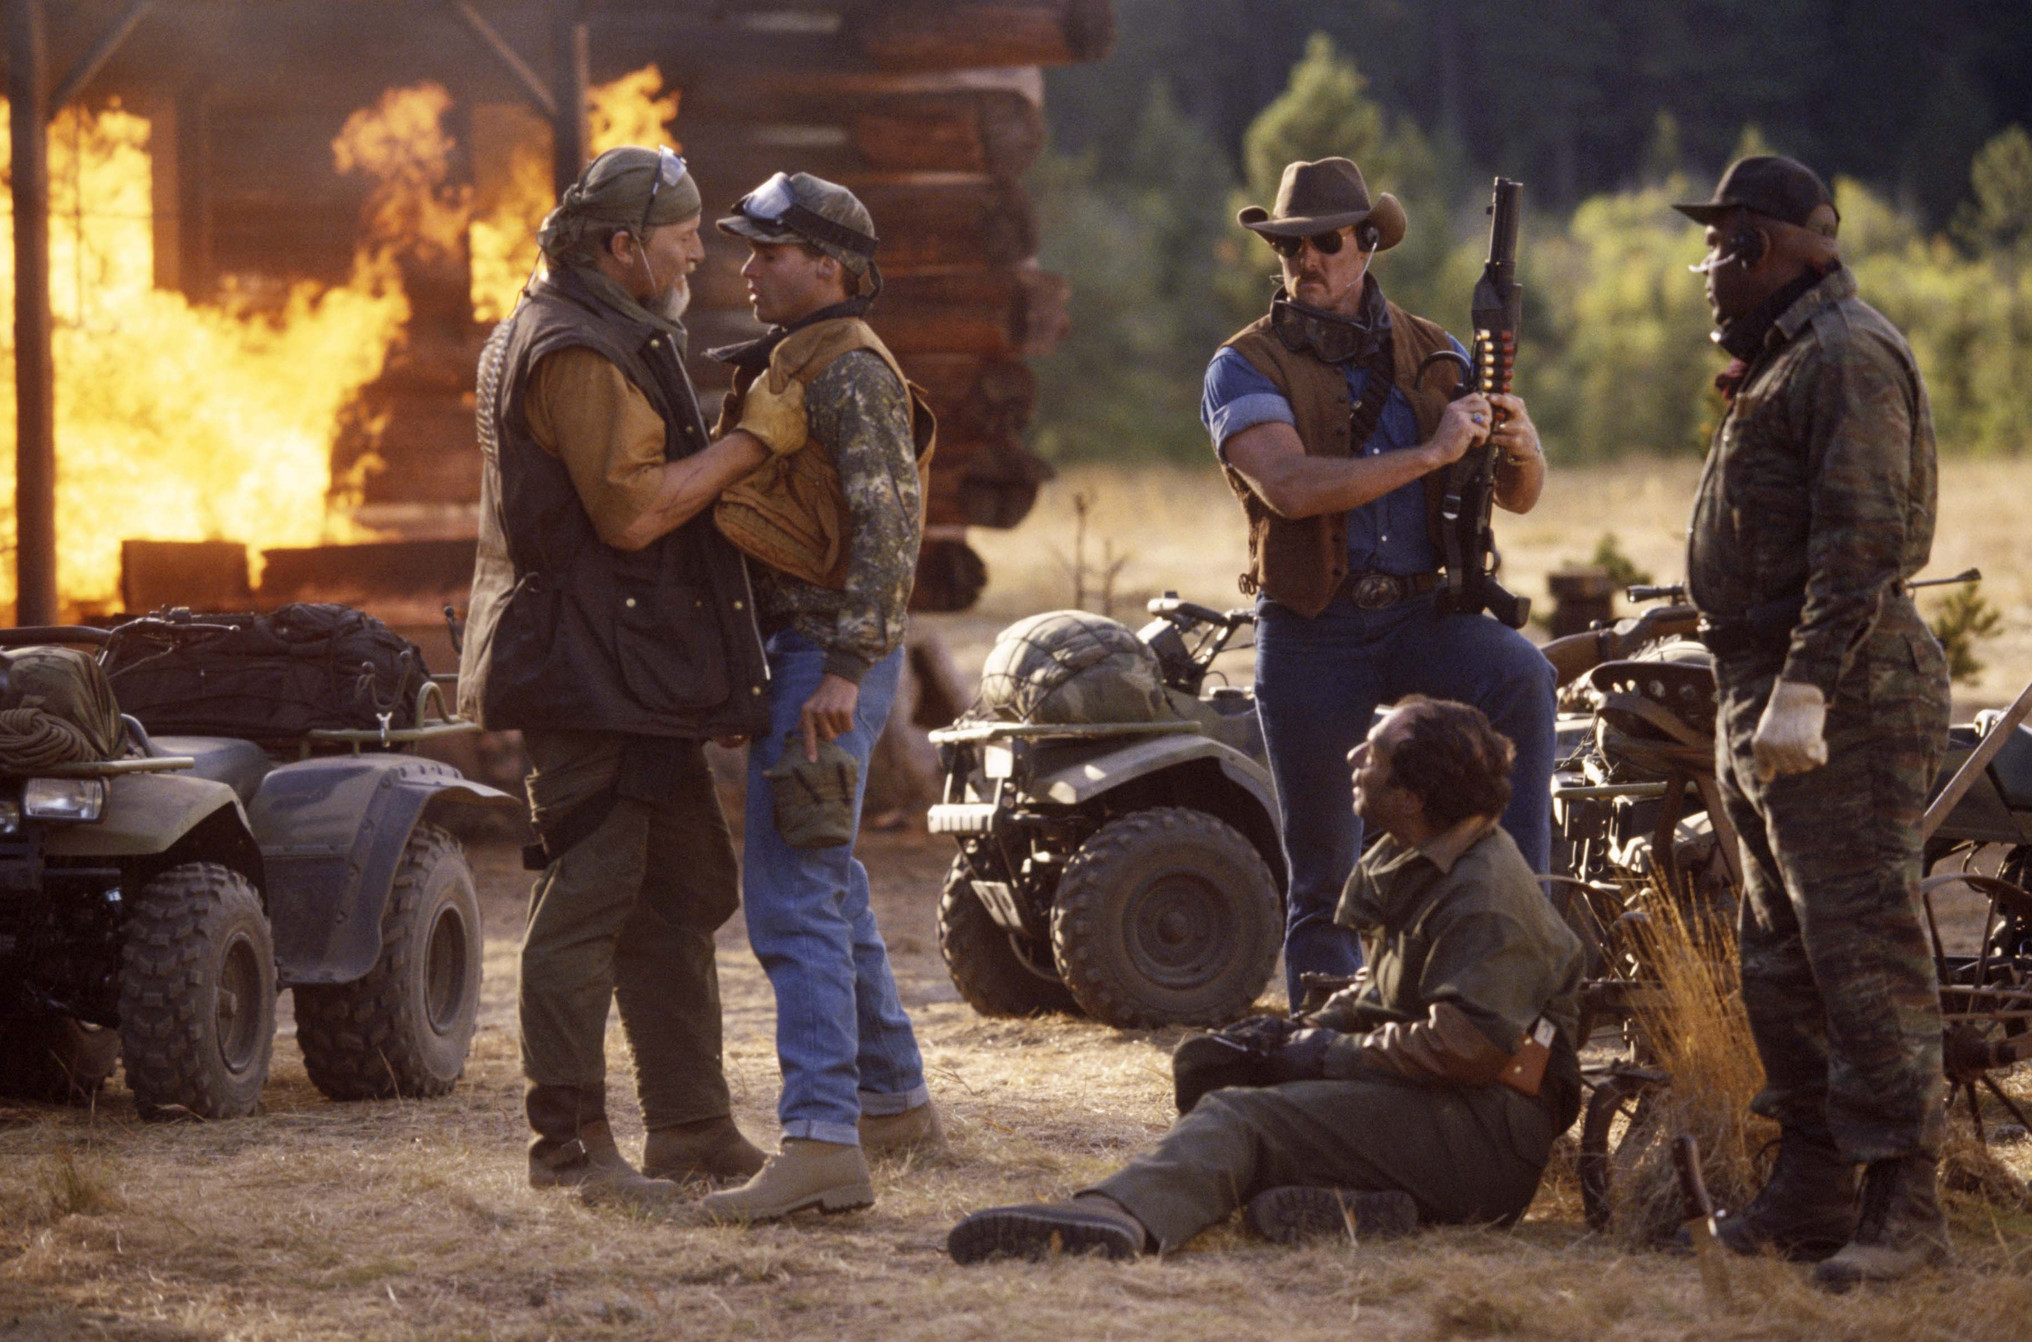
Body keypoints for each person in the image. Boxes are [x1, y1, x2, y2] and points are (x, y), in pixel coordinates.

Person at [457, 146, 810, 1205]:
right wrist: (752, 446)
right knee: (589, 901)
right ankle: (569, 1154)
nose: (700, 251)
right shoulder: (572, 348)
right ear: (621, 248)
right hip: (584, 672)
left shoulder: (609, 322)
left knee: (678, 890)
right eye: (680, 236)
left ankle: (692, 1129)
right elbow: (634, 509)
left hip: (633, 670)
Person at [946, 697, 1584, 1262]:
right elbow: (1386, 999)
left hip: (1485, 1140)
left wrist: (1326, 1055)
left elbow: (1467, 1047)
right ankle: (1365, 1206)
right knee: (1217, 1066)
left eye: (1377, 751)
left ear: (1412, 797)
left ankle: (1117, 1219)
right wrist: (1292, 1037)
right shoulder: (1426, 855)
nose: (1355, 754)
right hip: (1454, 1111)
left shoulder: (1484, 897)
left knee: (1243, 1117)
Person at [1675, 156, 1952, 1287]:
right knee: (1780, 958)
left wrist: (1804, 686)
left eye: (1728, 242)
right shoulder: (1781, 359)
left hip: (1839, 693)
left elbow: (1861, 539)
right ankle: (1810, 1185)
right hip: (1761, 686)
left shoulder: (1846, 354)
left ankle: (1906, 1210)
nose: (1707, 266)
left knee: (1859, 951)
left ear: (1789, 244)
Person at [1204, 156, 1557, 1005]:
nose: (1305, 263)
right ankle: (1329, 1066)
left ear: (1366, 243)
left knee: (1521, 674)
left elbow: (1519, 495)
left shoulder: (1435, 351)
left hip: (1420, 617)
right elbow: (1289, 487)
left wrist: (1519, 442)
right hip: (1313, 627)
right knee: (1326, 869)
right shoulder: (1244, 364)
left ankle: (1514, 941)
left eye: (1324, 243)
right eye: (1289, 249)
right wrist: (1433, 451)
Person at [693, 172, 941, 1222]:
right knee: (825, 879)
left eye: (767, 251)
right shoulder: (806, 359)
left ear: (827, 268)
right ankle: (889, 1103)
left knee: (790, 889)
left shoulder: (844, 372)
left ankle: (820, 1141)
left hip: (822, 653)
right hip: (806, 647)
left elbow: (889, 533)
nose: (745, 267)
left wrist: (843, 669)